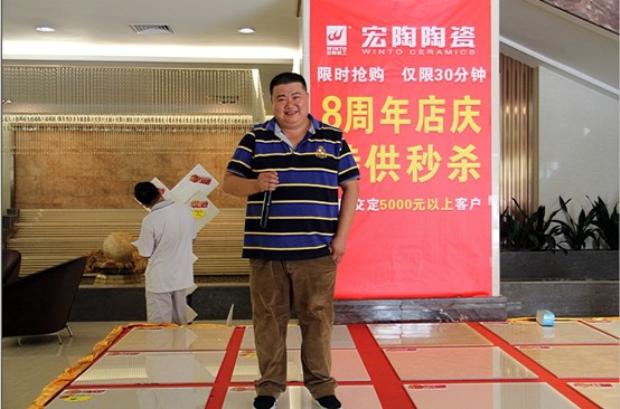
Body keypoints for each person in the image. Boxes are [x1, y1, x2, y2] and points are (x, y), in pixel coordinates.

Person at [223, 72, 360, 409]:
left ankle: (322, 386)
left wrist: (341, 238)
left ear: (307, 98)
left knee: (318, 320)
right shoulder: (255, 138)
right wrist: (255, 184)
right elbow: (229, 182)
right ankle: (269, 387)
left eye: (296, 96)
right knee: (268, 320)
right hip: (266, 252)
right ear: (272, 103)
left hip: (317, 252)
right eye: (281, 98)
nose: (290, 104)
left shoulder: (333, 138)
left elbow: (351, 187)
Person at [132, 181, 196, 325]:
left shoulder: (150, 220)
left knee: (159, 328)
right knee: (180, 324)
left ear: (142, 203)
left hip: (159, 280)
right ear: (160, 192)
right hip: (181, 276)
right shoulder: (184, 210)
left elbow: (145, 253)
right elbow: (192, 239)